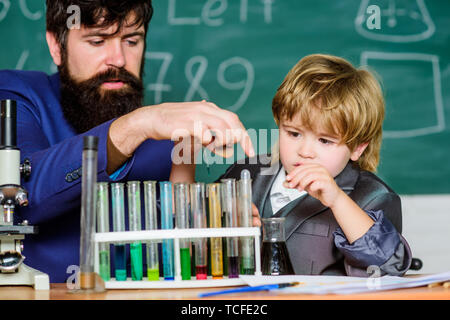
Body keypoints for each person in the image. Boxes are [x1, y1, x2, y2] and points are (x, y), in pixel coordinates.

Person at [0, 1, 255, 283]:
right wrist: (137, 124)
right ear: (56, 46)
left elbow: (181, 258)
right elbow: (18, 195)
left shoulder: (169, 143)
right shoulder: (15, 95)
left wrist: (218, 223)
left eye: (132, 40)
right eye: (97, 41)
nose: (118, 59)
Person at [217, 54, 412, 276]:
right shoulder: (244, 174)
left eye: (325, 140)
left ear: (358, 147)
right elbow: (187, 231)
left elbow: (390, 265)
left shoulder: (375, 196)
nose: (305, 151)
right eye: (293, 133)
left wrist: (338, 201)